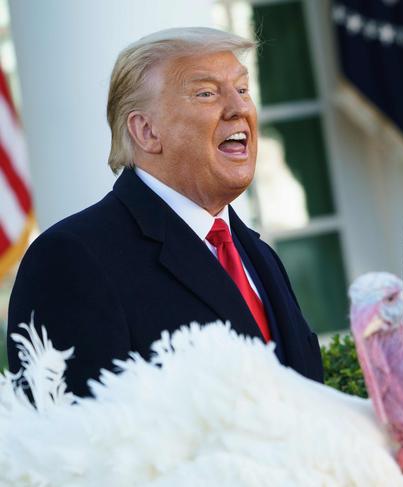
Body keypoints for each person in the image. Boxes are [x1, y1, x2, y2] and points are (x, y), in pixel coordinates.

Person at [7, 27, 323, 397]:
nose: (239, 108)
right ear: (146, 131)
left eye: (241, 89)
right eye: (206, 93)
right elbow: (78, 441)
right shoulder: (69, 259)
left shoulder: (257, 254)